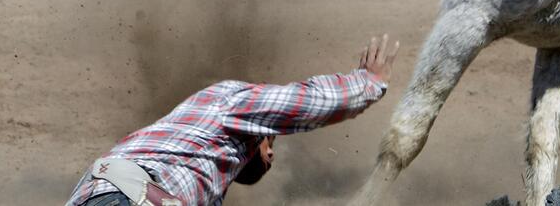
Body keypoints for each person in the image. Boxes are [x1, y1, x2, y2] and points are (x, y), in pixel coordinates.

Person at [66, 34, 400, 206]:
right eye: (272, 141)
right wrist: (368, 82)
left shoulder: (184, 154)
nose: (272, 157)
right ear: (258, 133)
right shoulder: (228, 101)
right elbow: (305, 102)